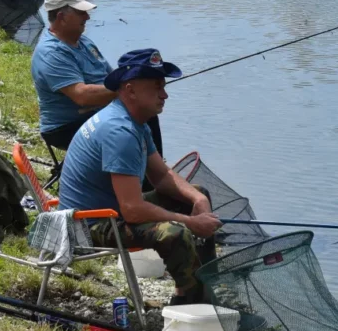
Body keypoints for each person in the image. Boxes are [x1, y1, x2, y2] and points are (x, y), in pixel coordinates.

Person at [58, 48, 221, 304]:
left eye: (164, 86)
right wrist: (190, 223)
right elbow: (133, 210)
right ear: (130, 89)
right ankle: (192, 302)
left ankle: (206, 285)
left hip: (110, 212)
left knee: (197, 195)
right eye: (156, 86)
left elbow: (163, 176)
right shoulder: (120, 132)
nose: (164, 94)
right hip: (87, 225)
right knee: (174, 233)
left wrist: (197, 202)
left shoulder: (134, 121)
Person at [32, 0, 164, 156]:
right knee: (134, 121)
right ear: (61, 17)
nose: (87, 17)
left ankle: (153, 173)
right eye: (81, 13)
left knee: (146, 110)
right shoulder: (51, 53)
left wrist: (136, 80)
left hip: (98, 112)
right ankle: (146, 176)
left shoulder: (84, 41)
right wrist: (128, 90)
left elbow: (111, 77)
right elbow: (82, 96)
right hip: (66, 126)